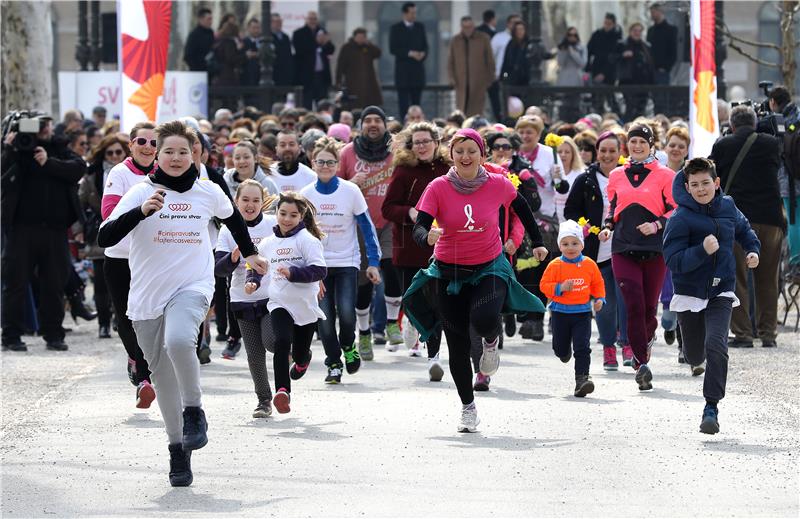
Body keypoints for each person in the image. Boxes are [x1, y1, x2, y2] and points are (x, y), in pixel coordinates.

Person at [98, 120, 267, 487]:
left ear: (196, 156)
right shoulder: (141, 192)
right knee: (161, 376)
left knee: (179, 341)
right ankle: (178, 449)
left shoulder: (207, 191)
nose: (176, 158)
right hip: (146, 296)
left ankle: (195, 411)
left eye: (184, 152)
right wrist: (141, 212)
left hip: (192, 285)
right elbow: (105, 236)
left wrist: (251, 254)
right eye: (169, 151)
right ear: (157, 154)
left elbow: (234, 220)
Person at [403, 128, 548, 432]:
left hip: (488, 266)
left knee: (483, 319)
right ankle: (468, 407)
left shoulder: (498, 183)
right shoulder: (438, 187)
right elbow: (421, 226)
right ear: (451, 155)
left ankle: (491, 342)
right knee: (456, 346)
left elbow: (522, 208)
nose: (465, 157)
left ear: (483, 155)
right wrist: (425, 236)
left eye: (472, 151)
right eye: (459, 151)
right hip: (448, 270)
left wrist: (536, 241)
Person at [663, 157, 760, 434]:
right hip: (691, 293)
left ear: (716, 183)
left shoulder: (728, 206)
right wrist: (701, 251)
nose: (701, 189)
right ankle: (693, 353)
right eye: (695, 184)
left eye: (706, 183)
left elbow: (744, 230)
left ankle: (711, 407)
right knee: (695, 356)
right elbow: (673, 260)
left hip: (721, 289)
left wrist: (753, 250)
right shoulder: (680, 217)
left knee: (717, 344)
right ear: (687, 186)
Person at [598, 124, 676, 391]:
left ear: (652, 144)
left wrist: (656, 225)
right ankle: (641, 363)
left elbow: (675, 210)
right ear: (627, 145)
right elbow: (613, 208)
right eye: (633, 141)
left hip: (654, 247)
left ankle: (645, 341)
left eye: (642, 141)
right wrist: (607, 228)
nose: (637, 146)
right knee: (632, 302)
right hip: (622, 246)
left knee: (648, 309)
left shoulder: (666, 175)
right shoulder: (617, 174)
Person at [300, 137, 381, 383]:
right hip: (318, 267)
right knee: (324, 318)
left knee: (347, 313)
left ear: (337, 164)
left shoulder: (351, 191)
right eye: (320, 161)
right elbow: (299, 234)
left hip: (347, 262)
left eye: (330, 162)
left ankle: (348, 345)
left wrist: (374, 262)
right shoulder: (305, 194)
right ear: (313, 163)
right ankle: (333, 363)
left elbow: (367, 228)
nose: (325, 166)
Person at [1, 114, 85, 352]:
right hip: (21, 230)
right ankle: (11, 336)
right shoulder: (15, 149)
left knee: (54, 284)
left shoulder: (59, 149)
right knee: (14, 283)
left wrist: (49, 162)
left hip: (55, 230)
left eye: (47, 124)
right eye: (39, 125)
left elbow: (77, 168)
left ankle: (53, 334)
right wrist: (8, 148)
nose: (44, 129)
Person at [244, 192, 327, 414]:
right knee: (281, 342)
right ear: (276, 213)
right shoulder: (267, 243)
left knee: (299, 352)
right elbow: (256, 267)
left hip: (305, 306)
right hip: (279, 303)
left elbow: (320, 270)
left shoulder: (307, 240)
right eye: (282, 214)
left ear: (301, 217)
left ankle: (303, 359)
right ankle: (282, 392)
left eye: (292, 215)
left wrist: (293, 273)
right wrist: (253, 282)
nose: (286, 219)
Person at [709, 105, 783, 348]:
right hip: (771, 218)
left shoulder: (723, 145)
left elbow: (713, 176)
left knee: (738, 276)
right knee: (768, 278)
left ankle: (743, 333)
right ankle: (768, 333)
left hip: (738, 220)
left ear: (731, 125)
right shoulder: (771, 144)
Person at [382, 122, 449, 379]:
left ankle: (434, 356)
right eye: (416, 142)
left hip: (441, 247)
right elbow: (388, 208)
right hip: (409, 246)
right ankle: (410, 319)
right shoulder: (404, 170)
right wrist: (410, 212)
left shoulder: (447, 169)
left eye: (426, 141)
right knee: (413, 300)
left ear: (436, 142)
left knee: (436, 303)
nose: (421, 146)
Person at [336, 107, 403, 358]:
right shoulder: (347, 153)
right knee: (364, 281)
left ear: (385, 125)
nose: (373, 124)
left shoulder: (396, 151)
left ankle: (391, 323)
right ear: (360, 126)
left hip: (389, 221)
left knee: (391, 266)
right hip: (360, 225)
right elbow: (336, 187)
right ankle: (363, 333)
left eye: (378, 120)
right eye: (368, 121)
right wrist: (351, 183)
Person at [100, 122, 158, 405]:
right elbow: (109, 213)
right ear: (132, 145)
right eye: (142, 142)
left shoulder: (167, 173)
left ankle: (146, 379)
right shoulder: (120, 173)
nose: (148, 147)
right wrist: (142, 214)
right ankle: (135, 357)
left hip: (151, 257)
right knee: (124, 318)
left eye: (154, 143)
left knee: (146, 315)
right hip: (120, 256)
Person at [564, 131, 630, 370]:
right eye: (603, 150)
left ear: (621, 152)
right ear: (596, 152)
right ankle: (609, 348)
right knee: (604, 303)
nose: (608, 155)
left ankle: (628, 344)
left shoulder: (629, 176)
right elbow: (570, 211)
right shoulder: (585, 179)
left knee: (626, 301)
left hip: (625, 248)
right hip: (596, 251)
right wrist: (586, 227)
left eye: (613, 151)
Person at [215, 180, 277, 417]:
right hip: (242, 299)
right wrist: (233, 257)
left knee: (272, 342)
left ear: (263, 203)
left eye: (255, 200)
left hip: (272, 298)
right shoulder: (227, 230)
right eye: (245, 200)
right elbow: (219, 271)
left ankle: (296, 349)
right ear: (236, 202)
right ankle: (264, 401)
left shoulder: (273, 225)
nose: (250, 205)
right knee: (254, 354)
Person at [514, 115, 568, 342]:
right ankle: (524, 314)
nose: (526, 136)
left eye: (531, 132)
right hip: (517, 219)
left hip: (544, 218)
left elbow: (562, 188)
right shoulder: (513, 154)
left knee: (541, 269)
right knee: (523, 270)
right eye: (522, 131)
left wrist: (557, 178)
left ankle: (536, 318)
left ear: (539, 134)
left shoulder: (549, 155)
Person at [540, 219, 605, 397]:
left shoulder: (589, 264)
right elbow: (544, 285)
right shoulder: (555, 265)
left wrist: (600, 298)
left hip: (582, 313)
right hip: (560, 313)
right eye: (565, 243)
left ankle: (582, 380)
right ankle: (564, 351)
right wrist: (559, 288)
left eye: (575, 243)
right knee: (560, 349)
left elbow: (598, 283)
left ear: (582, 245)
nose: (570, 247)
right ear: (559, 246)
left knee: (582, 347)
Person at [79, 135, 130, 339]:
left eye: (119, 152)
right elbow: (79, 204)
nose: (115, 156)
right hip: (101, 233)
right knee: (100, 284)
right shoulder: (92, 175)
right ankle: (103, 323)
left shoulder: (133, 173)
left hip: (128, 235)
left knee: (124, 285)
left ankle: (120, 319)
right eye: (110, 153)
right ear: (103, 154)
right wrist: (80, 229)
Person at [661, 126, 690, 358]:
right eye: (672, 145)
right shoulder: (658, 173)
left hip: (686, 238)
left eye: (681, 146)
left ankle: (684, 347)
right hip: (661, 238)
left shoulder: (692, 173)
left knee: (686, 290)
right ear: (665, 146)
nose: (676, 149)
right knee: (668, 293)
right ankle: (669, 324)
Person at [768, 86, 800, 260]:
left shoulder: (780, 121)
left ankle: (796, 261)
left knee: (794, 221)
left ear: (773, 102)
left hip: (789, 179)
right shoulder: (797, 114)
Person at [448, 16, 495, 117]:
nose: (467, 30)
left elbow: (490, 61)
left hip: (478, 83)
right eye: (465, 27)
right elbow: (451, 61)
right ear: (461, 27)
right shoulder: (455, 40)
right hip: (461, 83)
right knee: (461, 111)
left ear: (473, 26)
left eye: (469, 27)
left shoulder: (483, 38)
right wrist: (452, 78)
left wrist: (488, 80)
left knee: (476, 114)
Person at [390, 2, 428, 119]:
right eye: (412, 13)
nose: (414, 15)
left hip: (417, 73)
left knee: (417, 103)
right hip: (403, 74)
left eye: (415, 13)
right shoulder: (396, 28)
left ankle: (417, 124)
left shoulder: (420, 27)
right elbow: (393, 49)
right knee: (403, 104)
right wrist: (410, 53)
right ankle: (404, 125)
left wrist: (422, 54)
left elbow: (426, 46)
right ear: (405, 13)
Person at [292, 11, 335, 109]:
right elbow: (300, 50)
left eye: (315, 19)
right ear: (306, 20)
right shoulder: (298, 33)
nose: (313, 21)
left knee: (323, 105)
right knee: (306, 105)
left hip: (321, 76)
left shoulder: (322, 32)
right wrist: (316, 42)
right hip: (306, 76)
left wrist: (326, 42)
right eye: (310, 19)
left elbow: (331, 50)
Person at [613, 23, 655, 122]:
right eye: (635, 31)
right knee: (629, 107)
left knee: (641, 109)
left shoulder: (646, 46)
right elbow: (612, 59)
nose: (637, 33)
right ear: (630, 31)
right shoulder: (622, 44)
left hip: (644, 83)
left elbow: (650, 64)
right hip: (627, 82)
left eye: (639, 31)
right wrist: (623, 55)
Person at [335, 28, 383, 109]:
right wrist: (338, 81)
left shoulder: (368, 47)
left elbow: (378, 53)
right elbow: (340, 65)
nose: (361, 39)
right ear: (354, 37)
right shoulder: (347, 47)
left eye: (363, 37)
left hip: (368, 82)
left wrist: (369, 44)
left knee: (369, 104)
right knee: (353, 104)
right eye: (359, 37)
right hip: (352, 82)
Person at [647, 3, 678, 114]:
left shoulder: (671, 30)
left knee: (663, 99)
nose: (652, 14)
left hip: (663, 70)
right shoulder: (651, 30)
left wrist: (665, 67)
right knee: (654, 99)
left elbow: (673, 52)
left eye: (654, 12)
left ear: (660, 12)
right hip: (651, 71)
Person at [491, 14, 522, 120]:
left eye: (518, 23)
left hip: (519, 77)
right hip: (502, 76)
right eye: (514, 22)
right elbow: (491, 57)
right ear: (508, 23)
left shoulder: (523, 39)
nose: (516, 25)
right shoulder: (499, 38)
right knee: (503, 104)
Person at [555, 27, 587, 123]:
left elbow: (582, 63)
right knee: (565, 105)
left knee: (576, 105)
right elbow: (560, 63)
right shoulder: (562, 47)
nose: (572, 37)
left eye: (574, 35)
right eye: (570, 35)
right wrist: (565, 50)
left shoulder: (581, 47)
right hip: (565, 80)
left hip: (577, 79)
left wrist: (573, 52)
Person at [553, 136, 585, 222]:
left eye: (567, 152)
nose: (563, 155)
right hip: (553, 222)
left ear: (573, 154)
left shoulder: (581, 173)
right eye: (560, 152)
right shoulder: (549, 171)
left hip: (573, 221)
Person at [212, 20, 245, 87]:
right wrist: (245, 55)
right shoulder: (230, 42)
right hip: (228, 75)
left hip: (220, 74)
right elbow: (231, 58)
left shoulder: (220, 42)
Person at [501, 21, 531, 87]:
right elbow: (506, 64)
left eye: (522, 29)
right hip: (513, 80)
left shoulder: (529, 44)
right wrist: (505, 77)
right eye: (517, 30)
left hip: (527, 79)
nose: (520, 32)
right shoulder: (511, 44)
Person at [270, 14, 294, 87]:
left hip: (284, 73)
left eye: (280, 21)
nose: (279, 24)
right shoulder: (267, 36)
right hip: (273, 72)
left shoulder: (285, 37)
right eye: (276, 22)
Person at [241, 18, 263, 87]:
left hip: (261, 76)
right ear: (248, 28)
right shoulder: (243, 42)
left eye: (258, 28)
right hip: (247, 76)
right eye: (253, 28)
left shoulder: (263, 42)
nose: (256, 30)